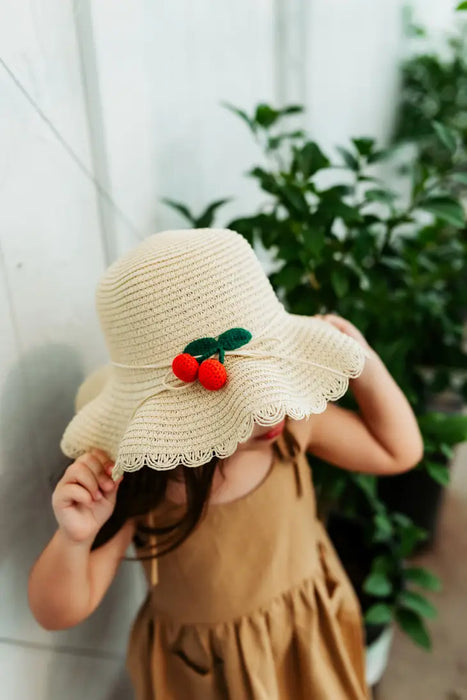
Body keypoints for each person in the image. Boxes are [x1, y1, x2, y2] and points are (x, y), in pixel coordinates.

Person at [28, 228, 423, 700]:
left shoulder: (292, 428)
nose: (272, 409)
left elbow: (398, 452)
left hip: (304, 634)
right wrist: (75, 537)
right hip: (206, 673)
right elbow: (57, 612)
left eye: (269, 379)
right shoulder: (143, 479)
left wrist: (363, 362)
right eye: (246, 394)